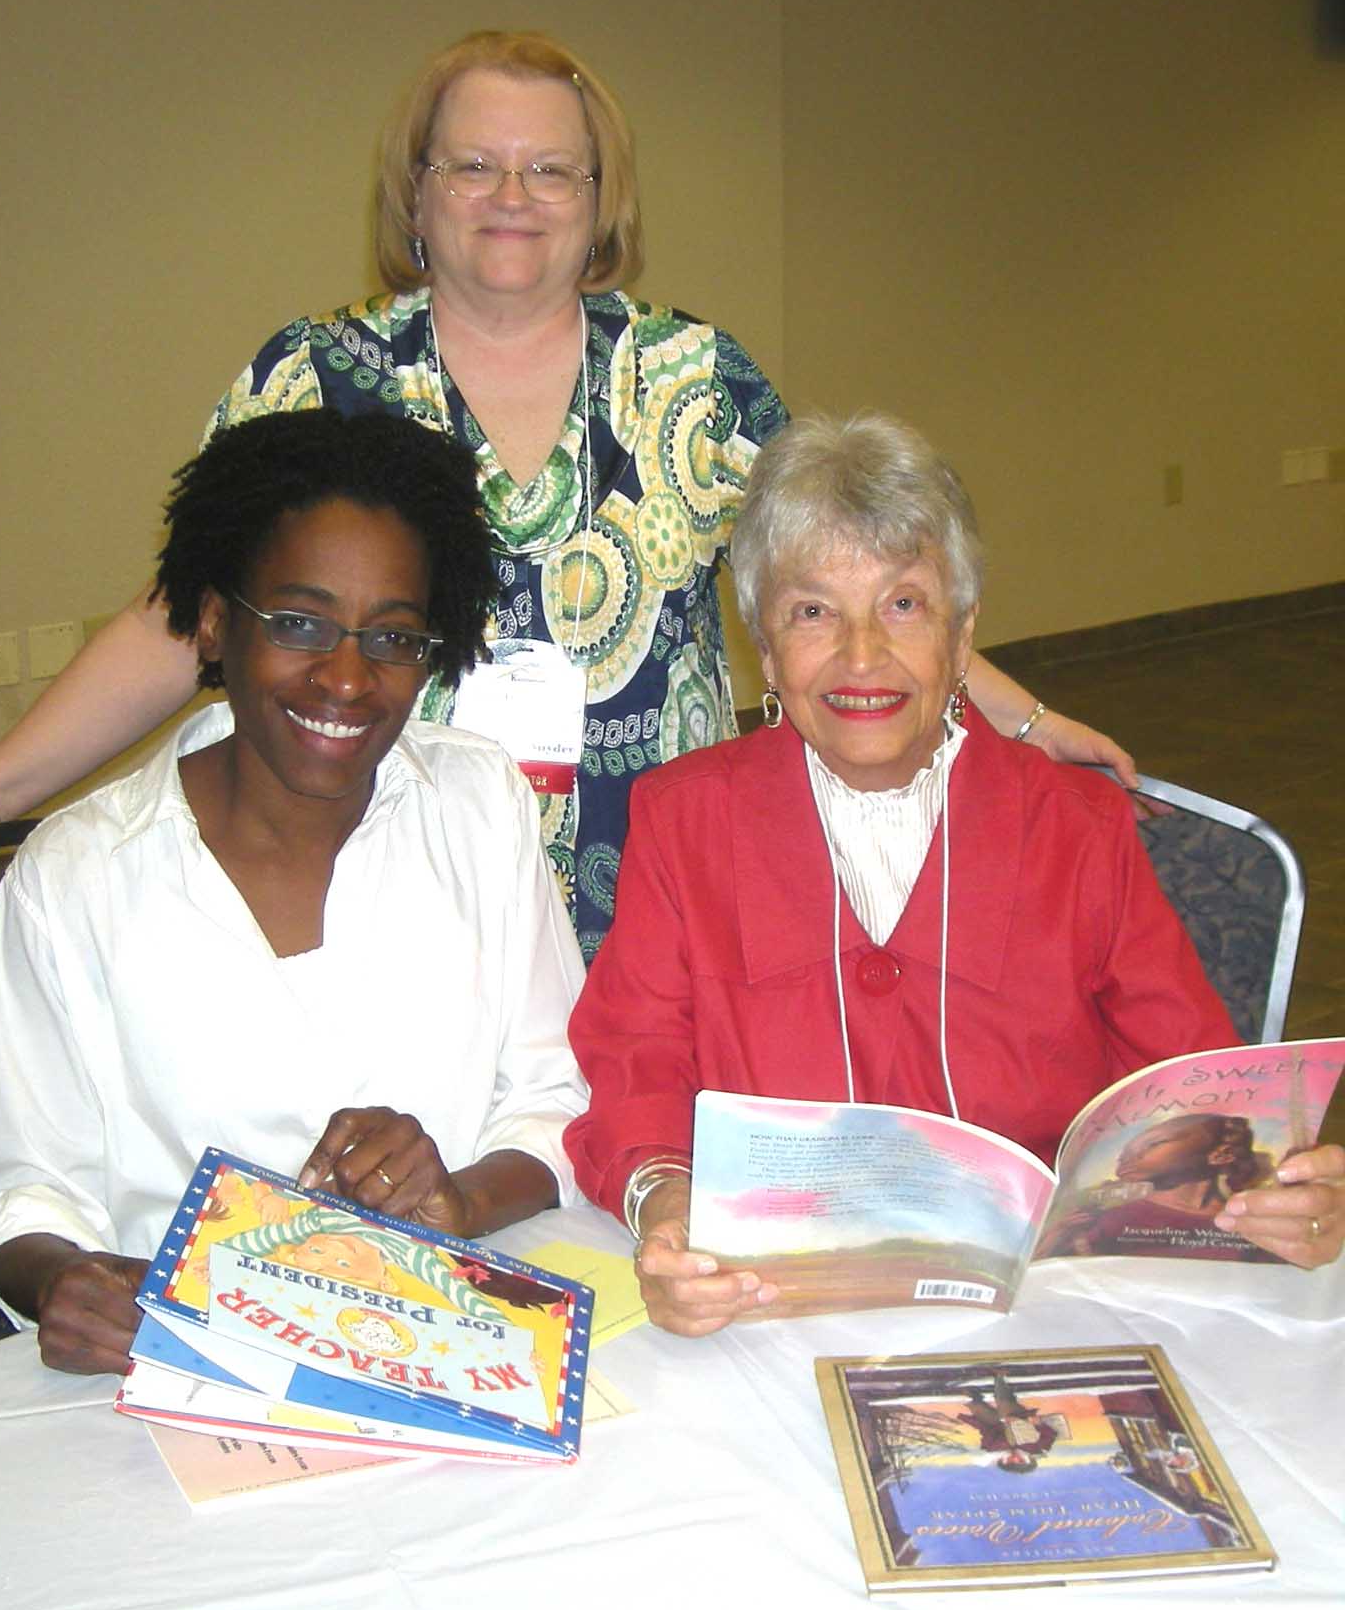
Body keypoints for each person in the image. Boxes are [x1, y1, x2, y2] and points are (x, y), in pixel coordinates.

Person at [0, 30, 1135, 958]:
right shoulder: (316, 379)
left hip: (672, 899)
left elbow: (867, 590)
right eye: (473, 164)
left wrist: (1028, 724)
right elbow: (179, 620)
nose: (513, 198)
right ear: (416, 193)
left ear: (601, 204)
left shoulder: (691, 375)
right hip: (389, 897)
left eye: (552, 172)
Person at [562, 412, 1345, 1334]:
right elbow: (634, 1065)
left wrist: (1276, 1189)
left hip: (1051, 1305)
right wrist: (666, 1202)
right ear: (765, 652)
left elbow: (1191, 1085)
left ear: (963, 636)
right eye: (813, 612)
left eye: (904, 605)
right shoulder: (687, 819)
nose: (862, 656)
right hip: (773, 1310)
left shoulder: (1078, 825)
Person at [0, 410, 589, 1376]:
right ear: (213, 620)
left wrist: (457, 1198)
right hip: (186, 1372)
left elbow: (555, 1097)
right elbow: (16, 1190)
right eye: (298, 624)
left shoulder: (477, 807)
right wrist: (63, 1281)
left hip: (450, 1352)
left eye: (395, 638)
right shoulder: (77, 876)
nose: (346, 678)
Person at [1036, 1113, 1278, 1260]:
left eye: (1153, 1144)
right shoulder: (1109, 1221)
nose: (1129, 1157)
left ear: (1221, 1155)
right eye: (1125, 1153)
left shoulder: (1248, 1222)